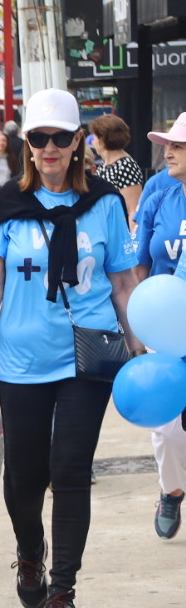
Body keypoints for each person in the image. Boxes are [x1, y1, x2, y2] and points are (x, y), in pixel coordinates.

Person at [0, 88, 142, 608]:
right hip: (19, 363)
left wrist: (141, 349)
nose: (48, 149)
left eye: (59, 139)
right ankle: (28, 551)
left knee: (69, 472)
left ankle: (63, 591)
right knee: (24, 476)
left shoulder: (105, 205)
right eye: (38, 139)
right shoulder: (6, 208)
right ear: (27, 146)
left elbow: (122, 282)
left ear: (77, 143)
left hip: (87, 361)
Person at [124, 112, 186, 539]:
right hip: (168, 325)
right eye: (169, 144)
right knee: (167, 424)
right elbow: (140, 258)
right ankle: (172, 490)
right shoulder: (159, 190)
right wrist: (144, 314)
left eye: (179, 146)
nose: (169, 151)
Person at [89, 113, 145, 220]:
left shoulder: (126, 166)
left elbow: (132, 209)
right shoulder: (103, 166)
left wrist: (131, 236)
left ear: (103, 139)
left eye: (95, 137)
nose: (92, 142)